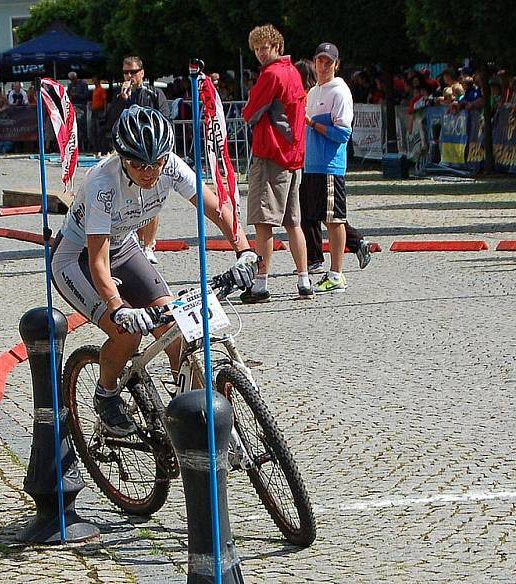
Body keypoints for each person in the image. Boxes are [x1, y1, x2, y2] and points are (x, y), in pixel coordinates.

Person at [51, 106, 257, 436]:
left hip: (124, 246)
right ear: (122, 158)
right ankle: (105, 395)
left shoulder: (171, 166)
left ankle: (183, 415)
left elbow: (217, 208)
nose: (150, 172)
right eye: (138, 165)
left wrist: (244, 250)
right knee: (129, 332)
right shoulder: (103, 183)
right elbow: (98, 262)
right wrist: (119, 310)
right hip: (77, 258)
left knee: (175, 328)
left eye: (157, 163)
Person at [241, 24, 312, 303]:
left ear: (276, 47)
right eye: (257, 48)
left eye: (264, 47)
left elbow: (250, 112)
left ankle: (261, 284)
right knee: (294, 222)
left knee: (264, 222)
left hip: (272, 156)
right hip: (294, 158)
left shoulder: (271, 75)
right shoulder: (293, 71)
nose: (260, 53)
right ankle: (304, 279)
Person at [295, 58, 372, 274]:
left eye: (328, 62)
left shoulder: (337, 92)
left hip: (328, 164)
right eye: (319, 61)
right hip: (310, 163)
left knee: (331, 216)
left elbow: (342, 133)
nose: (323, 66)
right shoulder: (313, 93)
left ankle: (333, 269)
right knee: (315, 212)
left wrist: (312, 123)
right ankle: (326, 256)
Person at [105, 55, 171, 265]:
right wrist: (121, 100)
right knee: (127, 199)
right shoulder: (120, 95)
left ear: (142, 72)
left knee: (152, 197)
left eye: (133, 72)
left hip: (150, 154)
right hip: (127, 156)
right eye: (125, 72)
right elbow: (109, 122)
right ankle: (131, 241)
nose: (129, 76)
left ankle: (149, 245)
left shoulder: (154, 93)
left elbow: (165, 119)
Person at [67, 71, 90, 150]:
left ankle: (86, 146)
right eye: (71, 80)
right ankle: (77, 146)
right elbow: (68, 95)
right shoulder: (70, 85)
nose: (72, 81)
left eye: (73, 79)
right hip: (73, 107)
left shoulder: (83, 84)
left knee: (82, 126)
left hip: (82, 107)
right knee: (74, 127)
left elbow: (87, 95)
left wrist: (77, 95)